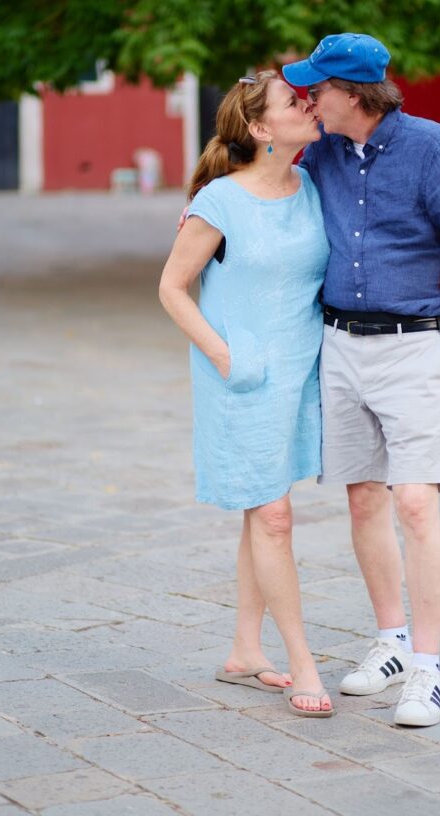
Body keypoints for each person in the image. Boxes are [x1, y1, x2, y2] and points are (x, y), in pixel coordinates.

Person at [282, 32, 440, 727]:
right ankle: (393, 641)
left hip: (415, 347)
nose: (309, 96)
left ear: (355, 93)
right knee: (363, 500)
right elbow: (257, 162)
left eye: (319, 87)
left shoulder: (432, 147)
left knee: (414, 502)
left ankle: (429, 670)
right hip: (341, 343)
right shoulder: (322, 150)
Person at [159, 71, 335, 717]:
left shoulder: (312, 186)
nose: (308, 105)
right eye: (294, 102)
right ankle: (302, 661)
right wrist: (226, 356)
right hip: (241, 378)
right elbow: (172, 287)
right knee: (274, 515)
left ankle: (243, 650)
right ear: (261, 129)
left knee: (264, 510)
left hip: (298, 374)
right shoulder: (219, 202)